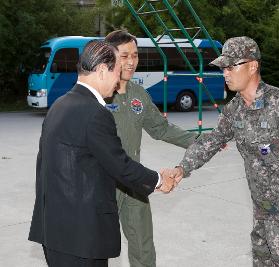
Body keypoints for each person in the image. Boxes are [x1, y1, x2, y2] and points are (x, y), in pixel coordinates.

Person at [168, 36, 279, 266]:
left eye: (230, 67)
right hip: (261, 209)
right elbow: (213, 140)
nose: (225, 73)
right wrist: (183, 167)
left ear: (252, 66)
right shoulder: (234, 109)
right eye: (223, 68)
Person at [28, 40, 175, 267]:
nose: (118, 82)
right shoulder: (95, 113)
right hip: (81, 238)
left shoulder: (59, 105)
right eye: (117, 73)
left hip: (54, 230)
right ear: (102, 70)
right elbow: (120, 165)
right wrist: (158, 180)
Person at [104, 30, 198, 267]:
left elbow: (161, 129)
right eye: (124, 55)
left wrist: (200, 142)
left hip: (134, 182)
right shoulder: (98, 95)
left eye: (135, 55)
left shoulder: (138, 95)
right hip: (102, 185)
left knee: (143, 247)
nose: (131, 61)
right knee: (95, 247)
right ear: (108, 57)